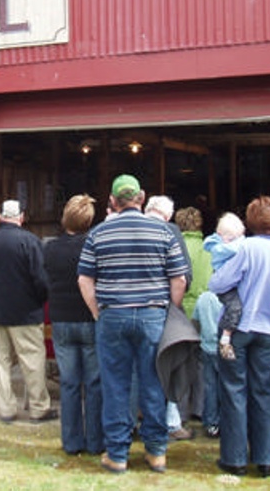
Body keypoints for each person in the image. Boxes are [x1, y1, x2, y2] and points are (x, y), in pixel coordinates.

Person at [78, 174, 187, 475]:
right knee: (154, 383)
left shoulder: (98, 233)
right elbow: (179, 279)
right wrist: (169, 311)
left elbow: (85, 279)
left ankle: (117, 454)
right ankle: (156, 452)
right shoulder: (164, 231)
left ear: (112, 201)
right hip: (153, 315)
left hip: (113, 315)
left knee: (116, 385)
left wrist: (99, 312)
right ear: (141, 197)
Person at [208, 196, 270, 478]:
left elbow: (218, 282)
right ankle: (265, 458)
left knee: (234, 390)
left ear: (250, 221)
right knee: (263, 391)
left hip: (240, 328)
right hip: (269, 328)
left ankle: (235, 458)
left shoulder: (246, 248)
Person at [0, 200, 56, 423]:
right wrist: (41, 300)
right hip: (26, 313)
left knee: (1, 361)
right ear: (21, 216)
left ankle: (6, 409)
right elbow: (41, 280)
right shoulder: (31, 242)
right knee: (32, 361)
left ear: (1, 217)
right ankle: (39, 408)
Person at [44, 194, 103, 455]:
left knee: (68, 383)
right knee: (93, 382)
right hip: (90, 318)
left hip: (61, 319)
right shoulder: (95, 247)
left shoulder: (50, 248)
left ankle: (71, 441)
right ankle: (94, 441)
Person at [144, 195, 193, 442]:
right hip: (165, 307)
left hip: (136, 307)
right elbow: (184, 275)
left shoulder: (134, 227)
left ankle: (135, 419)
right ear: (168, 214)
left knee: (137, 366)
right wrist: (173, 307)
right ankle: (172, 422)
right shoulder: (172, 231)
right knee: (170, 366)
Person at [175, 205, 213, 421]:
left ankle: (181, 410)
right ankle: (200, 407)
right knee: (202, 362)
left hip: (181, 310)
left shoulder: (175, 247)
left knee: (180, 363)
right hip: (204, 310)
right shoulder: (209, 248)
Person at [203, 212, 246, 360]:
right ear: (222, 235)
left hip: (230, 281)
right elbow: (233, 250)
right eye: (232, 238)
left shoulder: (225, 243)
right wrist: (244, 244)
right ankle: (226, 337)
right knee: (234, 307)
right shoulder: (220, 248)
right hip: (226, 284)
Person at [191, 288, 223, 438]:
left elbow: (195, 322)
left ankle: (211, 422)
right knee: (226, 387)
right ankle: (225, 421)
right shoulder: (229, 297)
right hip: (225, 348)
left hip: (207, 347)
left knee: (210, 386)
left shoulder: (203, 297)